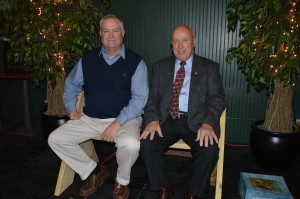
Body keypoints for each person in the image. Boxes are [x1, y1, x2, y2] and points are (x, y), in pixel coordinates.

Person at [48, 14, 149, 199]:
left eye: (115, 30)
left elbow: (139, 99)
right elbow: (71, 85)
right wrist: (71, 109)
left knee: (131, 144)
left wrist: (117, 123)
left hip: (125, 119)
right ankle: (94, 171)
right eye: (106, 31)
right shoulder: (87, 59)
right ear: (100, 34)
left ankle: (122, 180)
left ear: (123, 34)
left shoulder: (136, 62)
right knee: (55, 139)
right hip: (90, 118)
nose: (111, 35)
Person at [140, 25, 226, 199]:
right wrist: (152, 120)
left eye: (185, 40)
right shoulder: (160, 67)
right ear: (171, 45)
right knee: (147, 143)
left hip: (197, 122)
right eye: (176, 42)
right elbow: (152, 99)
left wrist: (208, 123)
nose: (180, 46)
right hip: (166, 120)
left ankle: (193, 192)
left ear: (194, 42)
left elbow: (217, 99)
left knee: (209, 150)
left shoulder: (209, 67)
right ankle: (163, 186)